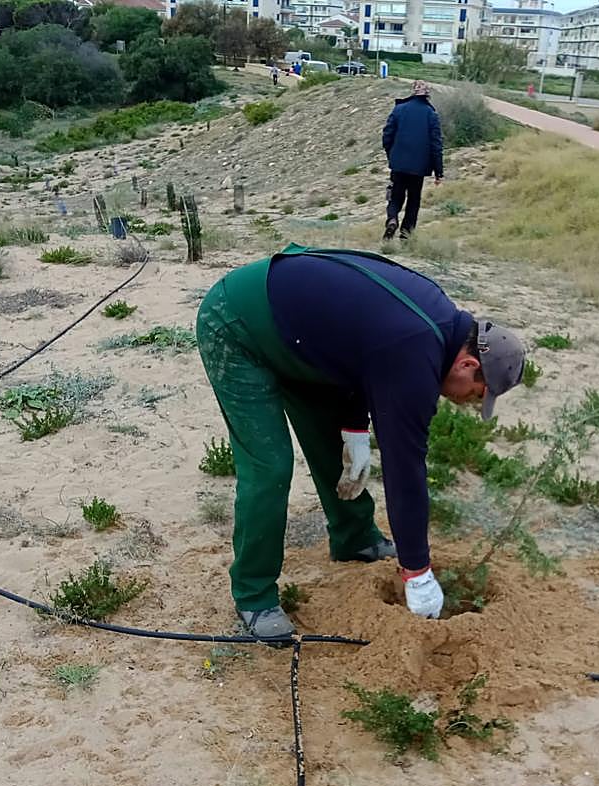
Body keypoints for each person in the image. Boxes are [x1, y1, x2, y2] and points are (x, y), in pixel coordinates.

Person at [195, 244, 527, 639]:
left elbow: (361, 353)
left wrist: (353, 429)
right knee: (269, 466)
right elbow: (406, 471)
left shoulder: (437, 327)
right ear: (468, 364)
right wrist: (417, 572)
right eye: (476, 394)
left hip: (301, 340)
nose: (470, 403)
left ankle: (354, 538)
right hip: (238, 323)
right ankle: (253, 595)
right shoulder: (416, 353)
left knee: (328, 438)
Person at [382, 79, 444, 241]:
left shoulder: (399, 109)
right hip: (419, 167)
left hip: (399, 164)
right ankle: (405, 235)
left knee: (395, 196)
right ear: (427, 94)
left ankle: (392, 219)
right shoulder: (431, 115)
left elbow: (387, 135)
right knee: (414, 200)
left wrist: (392, 155)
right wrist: (439, 171)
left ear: (412, 91)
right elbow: (436, 145)